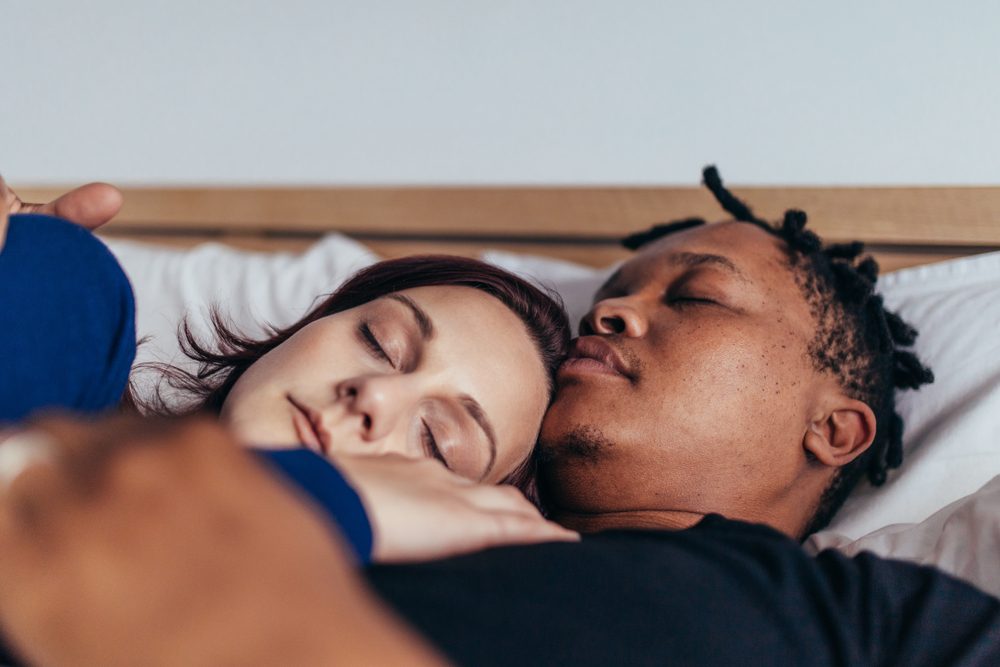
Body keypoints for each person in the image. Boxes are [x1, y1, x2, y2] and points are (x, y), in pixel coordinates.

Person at [2, 168, 999, 665]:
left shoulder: (849, 620)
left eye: (693, 298)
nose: (610, 311)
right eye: (611, 293)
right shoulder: (382, 514)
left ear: (834, 429)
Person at [0, 175, 576, 565]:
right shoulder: (80, 355)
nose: (374, 396)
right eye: (379, 341)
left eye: (436, 440)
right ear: (308, 326)